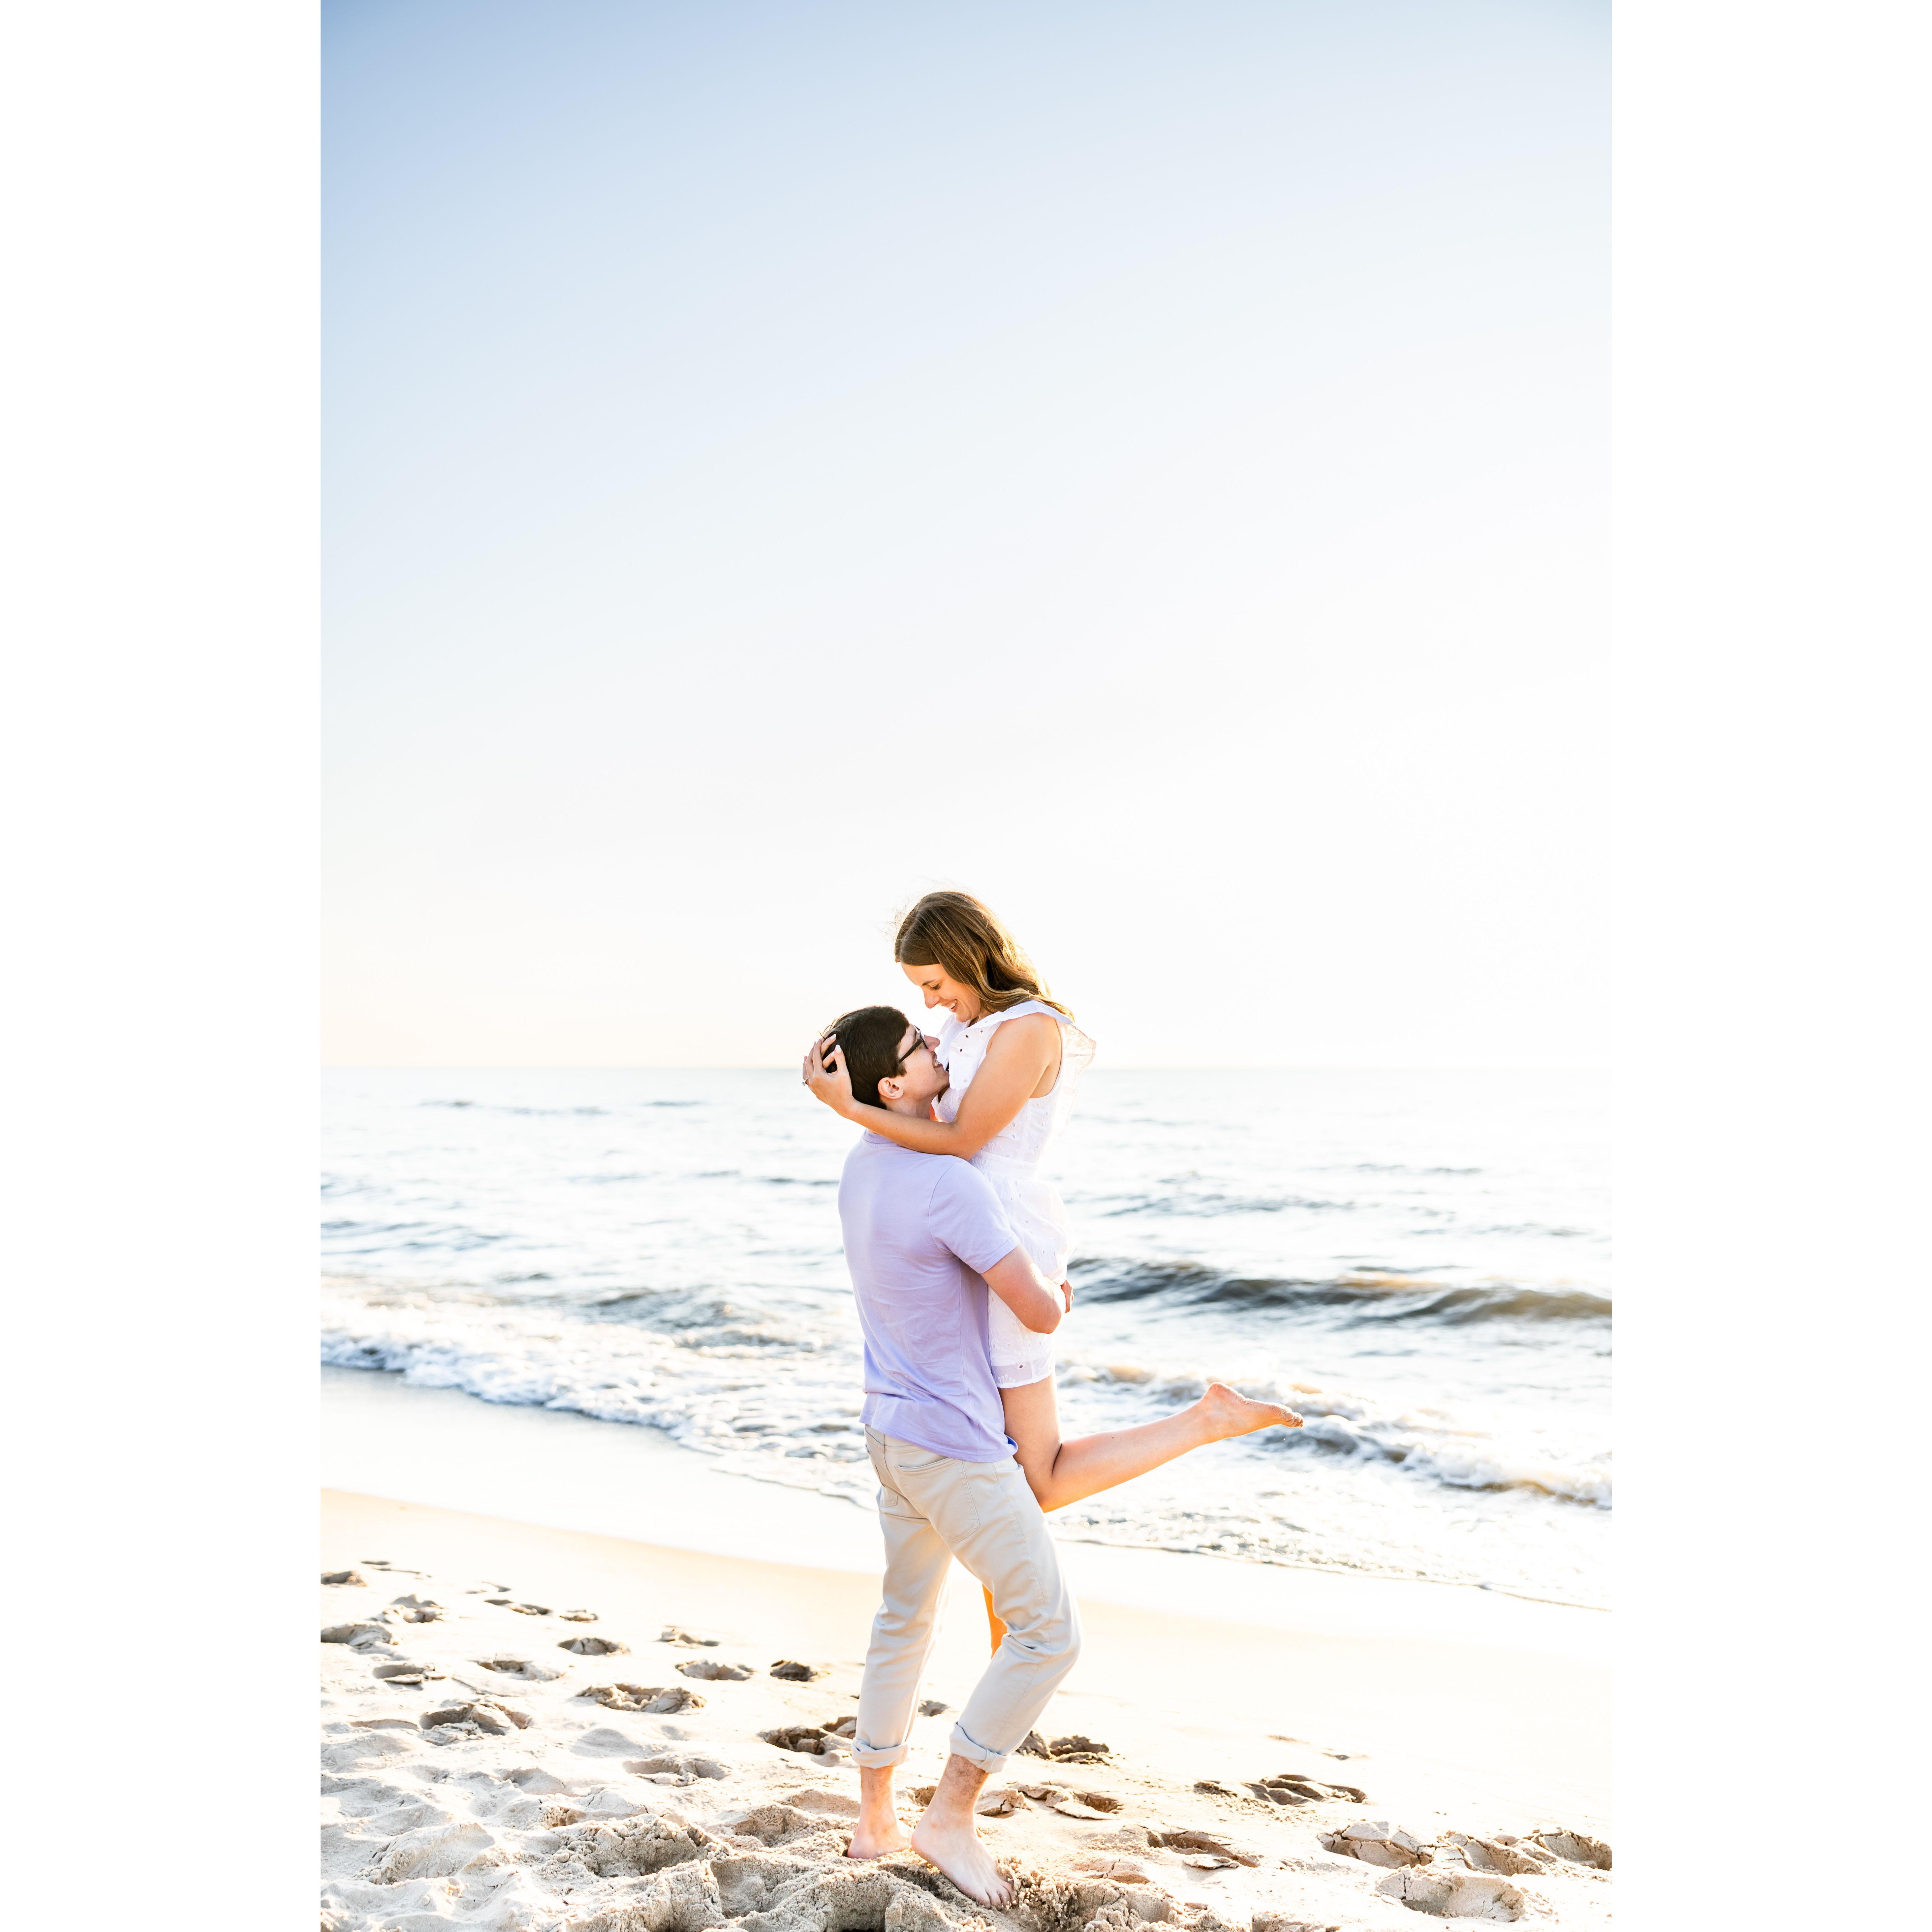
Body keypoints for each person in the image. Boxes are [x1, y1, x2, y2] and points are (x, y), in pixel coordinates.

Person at [804, 893, 1299, 1579]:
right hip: (954, 1231)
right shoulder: (961, 1026)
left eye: (935, 983)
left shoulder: (1029, 1029)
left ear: (967, 958)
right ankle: (1004, 1634)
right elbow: (918, 1107)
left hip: (1001, 1230)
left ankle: (1205, 1419)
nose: (930, 1003)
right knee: (987, 1460)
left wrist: (849, 1109)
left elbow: (963, 1138)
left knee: (1031, 1478)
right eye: (920, 990)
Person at [825, 1003, 1079, 1906]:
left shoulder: (861, 1166)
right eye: (916, 1045)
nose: (937, 1043)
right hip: (953, 1446)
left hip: (889, 1433)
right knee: (1048, 1632)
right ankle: (951, 1816)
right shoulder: (948, 1183)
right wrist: (1058, 1289)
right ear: (894, 1085)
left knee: (904, 1617)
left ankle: (875, 1818)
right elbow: (1038, 1312)